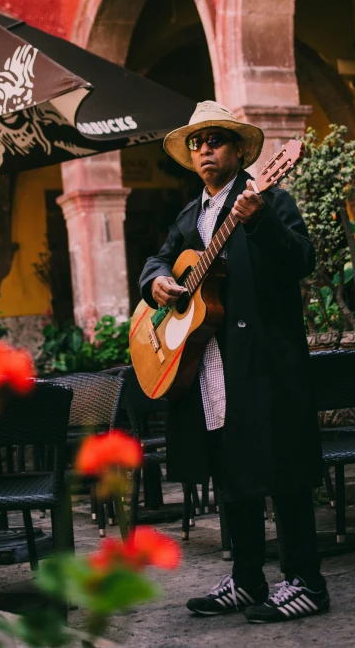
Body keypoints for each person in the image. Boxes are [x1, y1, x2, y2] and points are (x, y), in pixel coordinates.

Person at [138, 101, 328, 624]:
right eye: (198, 142)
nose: (205, 149)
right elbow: (157, 261)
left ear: (240, 150)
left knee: (283, 467)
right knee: (231, 469)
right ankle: (247, 580)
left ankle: (306, 580)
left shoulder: (269, 196)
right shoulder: (185, 217)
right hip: (210, 363)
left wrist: (261, 220)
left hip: (264, 357)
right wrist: (154, 282)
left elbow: (301, 259)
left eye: (216, 139)